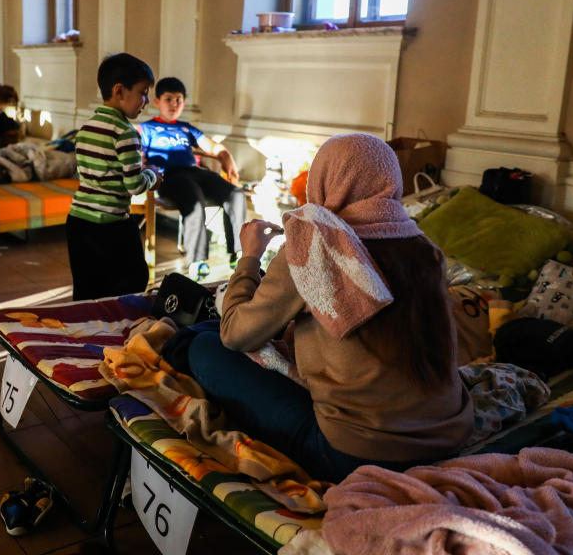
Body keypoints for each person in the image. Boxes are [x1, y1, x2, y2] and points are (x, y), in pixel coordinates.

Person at [185, 133, 473, 483]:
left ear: (324, 179)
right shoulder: (424, 248)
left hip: (354, 453)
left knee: (202, 346)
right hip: (449, 439)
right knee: (218, 334)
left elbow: (235, 335)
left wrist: (250, 257)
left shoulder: (312, 246)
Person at [66, 53, 162, 301]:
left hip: (78, 221)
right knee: (133, 281)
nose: (147, 101)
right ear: (120, 91)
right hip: (112, 225)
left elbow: (88, 172)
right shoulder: (126, 133)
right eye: (143, 92)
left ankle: (86, 333)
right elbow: (134, 186)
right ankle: (120, 334)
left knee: (87, 289)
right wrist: (153, 174)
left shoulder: (86, 128)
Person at [138, 77, 245, 278]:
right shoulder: (147, 128)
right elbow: (136, 154)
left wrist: (225, 155)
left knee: (235, 194)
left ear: (184, 103)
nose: (174, 104)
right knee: (192, 195)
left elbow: (211, 146)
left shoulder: (186, 128)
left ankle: (238, 253)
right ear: (157, 101)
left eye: (179, 99)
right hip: (168, 176)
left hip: (194, 173)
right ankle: (198, 260)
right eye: (169, 99)